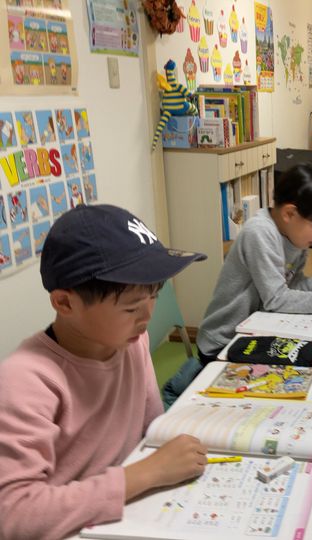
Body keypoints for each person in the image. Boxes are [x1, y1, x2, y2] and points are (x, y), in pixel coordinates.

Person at [0, 204, 209, 539]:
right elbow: (15, 515)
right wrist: (146, 474)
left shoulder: (131, 343)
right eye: (131, 308)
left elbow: (152, 431)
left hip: (126, 517)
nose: (146, 318)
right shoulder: (26, 381)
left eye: (154, 297)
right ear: (64, 303)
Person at [196, 162, 312, 365]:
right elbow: (276, 298)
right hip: (223, 343)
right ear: (289, 214)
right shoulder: (259, 232)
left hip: (254, 332)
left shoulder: (294, 234)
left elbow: (292, 282)